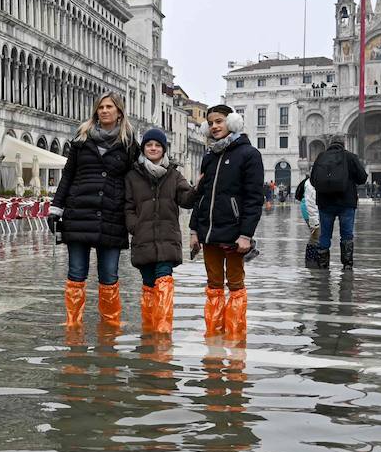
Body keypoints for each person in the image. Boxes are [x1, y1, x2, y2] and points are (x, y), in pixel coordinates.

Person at [49, 93, 138, 329]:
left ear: (119, 111)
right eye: (101, 107)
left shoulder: (128, 143)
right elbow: (68, 175)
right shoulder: (81, 139)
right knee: (76, 275)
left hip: (112, 216)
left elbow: (137, 178)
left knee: (109, 276)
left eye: (109, 107)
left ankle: (109, 331)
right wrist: (56, 208)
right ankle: (73, 327)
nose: (104, 111)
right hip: (79, 214)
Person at [188, 105, 264, 343]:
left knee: (235, 283)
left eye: (219, 121)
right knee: (213, 284)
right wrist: (193, 231)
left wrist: (246, 234)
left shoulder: (249, 154)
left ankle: (235, 337)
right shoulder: (209, 156)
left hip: (233, 234)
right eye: (210, 123)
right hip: (208, 233)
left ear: (231, 122)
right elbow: (201, 196)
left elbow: (253, 199)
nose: (214, 126)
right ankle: (213, 336)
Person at [124, 127, 199, 334]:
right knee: (148, 285)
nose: (153, 148)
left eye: (158, 145)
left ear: (164, 149)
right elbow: (128, 206)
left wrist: (197, 189)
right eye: (149, 145)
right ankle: (149, 332)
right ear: (143, 148)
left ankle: (163, 333)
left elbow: (186, 200)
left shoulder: (174, 175)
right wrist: (135, 227)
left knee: (164, 280)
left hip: (167, 239)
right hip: (143, 240)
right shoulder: (132, 176)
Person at [309, 138, 368, 269]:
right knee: (346, 234)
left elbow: (313, 180)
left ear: (330, 145)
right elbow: (362, 178)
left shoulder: (321, 156)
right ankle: (347, 266)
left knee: (325, 235)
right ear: (343, 145)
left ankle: (323, 266)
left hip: (325, 203)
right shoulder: (350, 157)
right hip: (346, 203)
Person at [295, 174, 321, 268]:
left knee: (316, 234)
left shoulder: (308, 181)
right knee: (316, 234)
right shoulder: (311, 183)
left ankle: (313, 260)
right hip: (309, 210)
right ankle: (311, 261)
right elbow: (310, 202)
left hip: (308, 209)